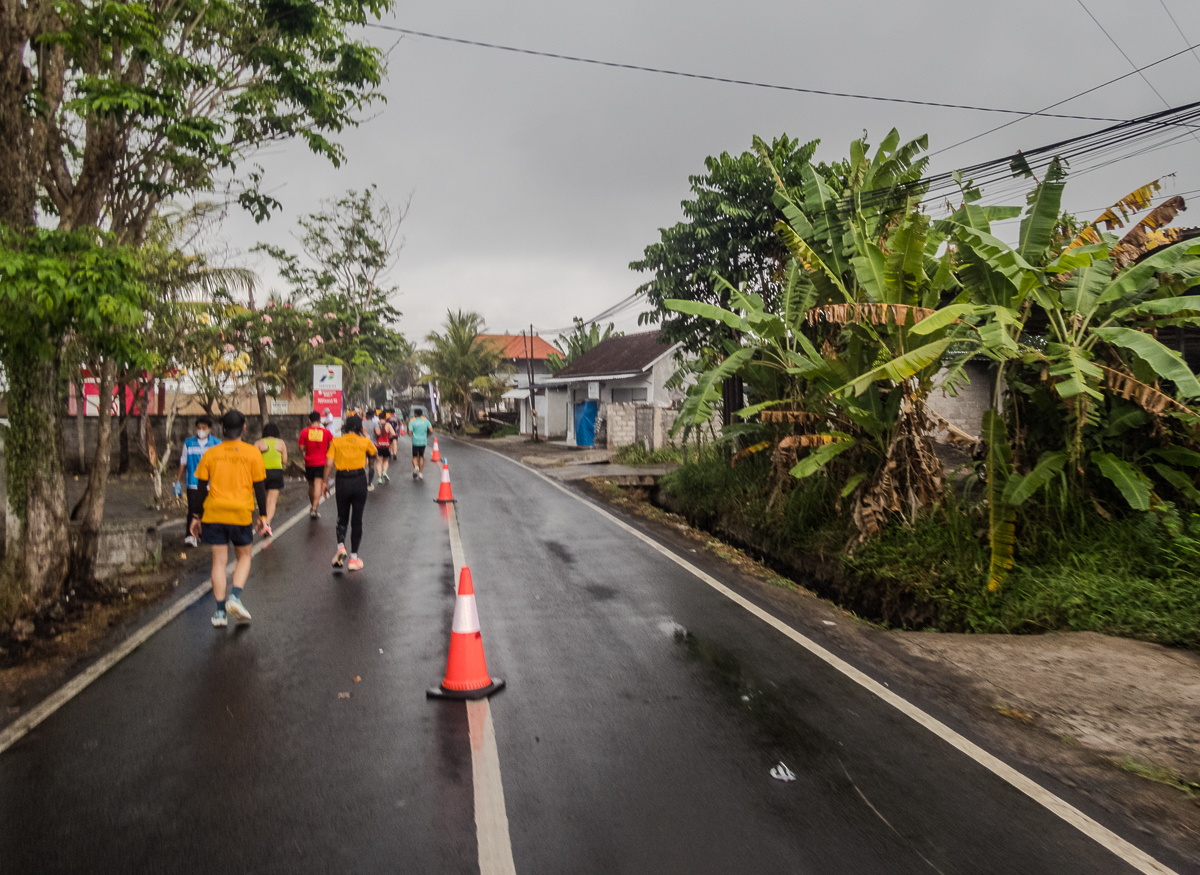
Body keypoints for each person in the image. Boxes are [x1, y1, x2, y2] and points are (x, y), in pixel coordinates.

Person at [190, 409, 268, 627]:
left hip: (214, 514)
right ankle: (235, 597)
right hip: (240, 514)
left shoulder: (211, 454)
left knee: (219, 563)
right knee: (244, 556)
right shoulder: (252, 453)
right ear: (244, 428)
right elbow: (259, 487)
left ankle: (219, 613)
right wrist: (263, 515)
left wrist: (196, 517)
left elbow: (200, 488)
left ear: (222, 429)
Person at [323, 414, 376, 572]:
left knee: (342, 516)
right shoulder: (364, 441)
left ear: (346, 427)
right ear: (360, 428)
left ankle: (341, 546)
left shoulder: (336, 442)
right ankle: (353, 559)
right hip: (359, 480)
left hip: (342, 480)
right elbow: (374, 453)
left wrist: (325, 482)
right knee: (357, 520)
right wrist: (365, 436)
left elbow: (328, 464)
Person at [176, 416, 216, 548]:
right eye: (199, 428)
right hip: (193, 482)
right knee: (193, 509)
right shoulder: (189, 443)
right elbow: (183, 461)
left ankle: (204, 533)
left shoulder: (216, 443)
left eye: (204, 428)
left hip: (211, 484)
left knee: (208, 509)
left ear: (209, 429)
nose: (201, 430)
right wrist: (177, 481)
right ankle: (190, 535)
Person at [254, 422, 288, 536]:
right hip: (276, 473)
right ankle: (267, 524)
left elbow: (253, 460)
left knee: (261, 498)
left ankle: (262, 519)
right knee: (272, 500)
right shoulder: (281, 443)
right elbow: (284, 460)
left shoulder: (258, 443)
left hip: (261, 473)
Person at [298, 411, 333, 519]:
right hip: (321, 462)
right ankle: (314, 508)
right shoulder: (326, 432)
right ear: (319, 420)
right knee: (318, 484)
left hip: (309, 462)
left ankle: (313, 506)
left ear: (309, 420)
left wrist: (306, 451)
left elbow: (301, 448)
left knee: (311, 485)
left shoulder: (305, 432)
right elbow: (331, 447)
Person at [409, 408, 432, 480]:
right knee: (421, 457)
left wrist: (413, 434)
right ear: (422, 413)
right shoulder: (426, 421)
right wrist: (426, 435)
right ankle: (421, 474)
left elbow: (410, 433)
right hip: (423, 441)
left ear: (415, 414)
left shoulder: (412, 422)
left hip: (415, 442)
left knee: (414, 457)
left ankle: (416, 467)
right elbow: (431, 430)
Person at [374, 414, 396, 484]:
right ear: (385, 418)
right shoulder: (388, 425)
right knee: (386, 460)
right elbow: (393, 433)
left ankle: (380, 478)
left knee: (379, 462)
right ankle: (384, 471)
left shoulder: (376, 424)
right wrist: (389, 437)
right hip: (386, 445)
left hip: (378, 445)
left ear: (378, 418)